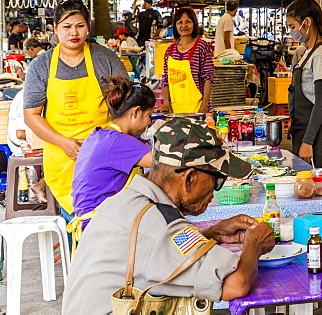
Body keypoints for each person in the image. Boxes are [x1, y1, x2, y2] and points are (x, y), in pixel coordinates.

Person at [63, 118, 275, 314]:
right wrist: (254, 244)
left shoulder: (126, 200)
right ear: (189, 178)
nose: (215, 192)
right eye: (216, 180)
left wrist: (212, 235)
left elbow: (153, 250)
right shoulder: (161, 222)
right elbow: (235, 285)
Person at [23, 0, 127, 214]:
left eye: (80, 26)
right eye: (67, 26)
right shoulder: (40, 66)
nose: (74, 33)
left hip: (104, 154)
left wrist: (103, 142)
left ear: (88, 27)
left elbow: (125, 105)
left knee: (111, 220)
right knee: (76, 221)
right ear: (55, 28)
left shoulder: (105, 58)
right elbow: (31, 115)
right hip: (63, 157)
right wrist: (65, 143)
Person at [70, 76, 155, 232]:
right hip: (100, 224)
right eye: (149, 115)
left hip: (89, 221)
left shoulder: (98, 135)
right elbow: (167, 163)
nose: (149, 122)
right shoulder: (118, 141)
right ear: (136, 112)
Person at [285, 0, 322, 170]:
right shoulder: (307, 52)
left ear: (307, 22)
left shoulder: (321, 55)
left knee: (318, 188)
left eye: (293, 27)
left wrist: (308, 142)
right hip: (305, 128)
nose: (291, 32)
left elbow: (320, 103)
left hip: (318, 133)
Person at [160, 7, 214, 114]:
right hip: (175, 110)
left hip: (198, 109)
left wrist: (204, 107)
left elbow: (208, 78)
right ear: (175, 26)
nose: (184, 26)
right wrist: (166, 103)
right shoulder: (170, 50)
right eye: (180, 22)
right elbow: (165, 79)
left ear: (194, 24)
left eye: (188, 22)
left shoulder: (201, 46)